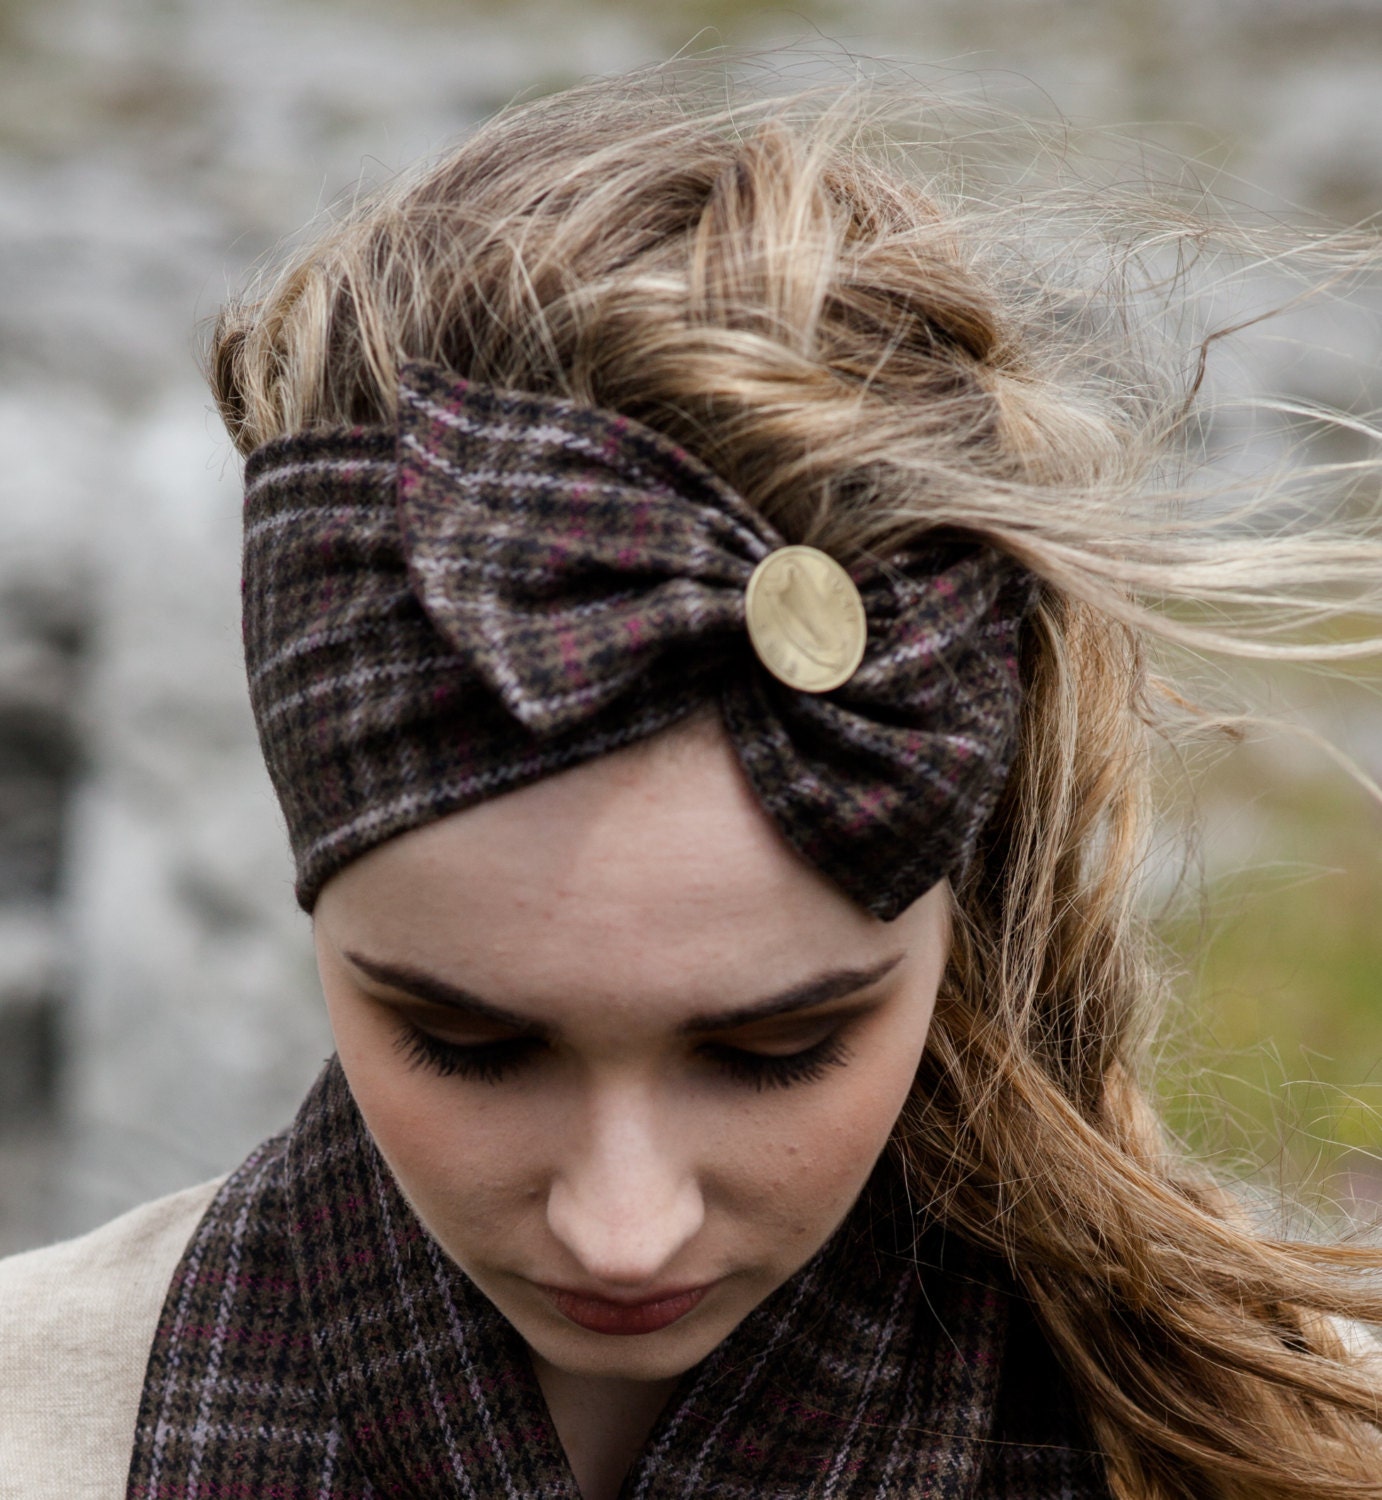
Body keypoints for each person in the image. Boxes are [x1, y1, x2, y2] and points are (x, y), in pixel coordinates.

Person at [2, 63, 1381, 1500]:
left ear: (957, 900)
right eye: (464, 1043)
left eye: (779, 1048)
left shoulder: (1306, 1450)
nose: (622, 1231)